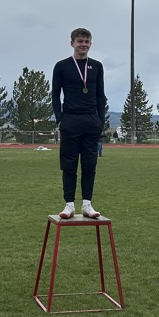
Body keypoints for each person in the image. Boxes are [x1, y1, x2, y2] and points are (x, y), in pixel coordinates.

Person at [51, 27, 106, 219]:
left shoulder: (97, 66)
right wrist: (60, 118)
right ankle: (69, 205)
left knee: (90, 164)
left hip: (91, 120)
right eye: (79, 41)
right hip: (70, 120)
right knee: (69, 164)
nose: (83, 44)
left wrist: (100, 120)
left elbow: (100, 95)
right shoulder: (61, 66)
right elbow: (55, 94)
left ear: (90, 43)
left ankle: (87, 204)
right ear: (72, 43)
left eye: (86, 41)